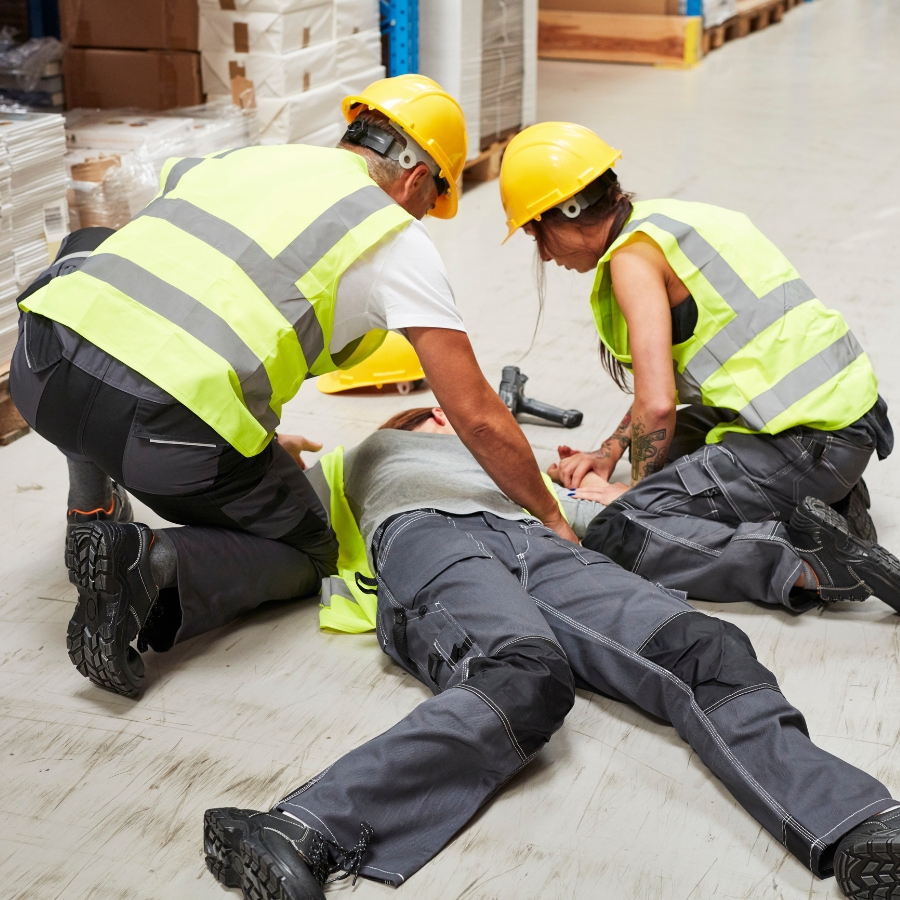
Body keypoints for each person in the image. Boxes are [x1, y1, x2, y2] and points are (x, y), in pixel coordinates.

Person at [9, 75, 575, 699]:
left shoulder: (243, 159)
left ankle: (88, 508)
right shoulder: (392, 237)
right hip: (162, 431)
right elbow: (477, 416)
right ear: (418, 178)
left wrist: (257, 437)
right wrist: (550, 515)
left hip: (39, 370)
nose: (424, 218)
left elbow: (182, 293)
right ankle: (144, 562)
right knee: (312, 551)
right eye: (432, 201)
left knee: (96, 266)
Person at [202, 407, 900, 900]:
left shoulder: (517, 470)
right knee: (522, 679)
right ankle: (299, 827)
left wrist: (777, 563)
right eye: (431, 417)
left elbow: (618, 525)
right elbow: (279, 522)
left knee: (705, 647)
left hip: (542, 542)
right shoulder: (368, 457)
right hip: (428, 540)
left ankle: (855, 822)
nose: (445, 421)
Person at [497, 121, 899, 614]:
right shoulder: (668, 221)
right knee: (681, 436)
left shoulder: (631, 260)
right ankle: (835, 507)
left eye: (539, 232)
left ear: (568, 213)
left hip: (812, 444)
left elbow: (657, 403)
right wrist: (608, 453)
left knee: (623, 531)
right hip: (841, 426)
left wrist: (633, 498)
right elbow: (659, 392)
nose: (543, 252)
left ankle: (812, 564)